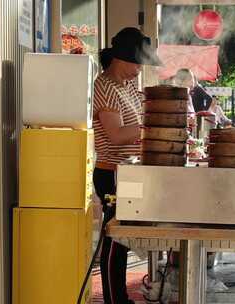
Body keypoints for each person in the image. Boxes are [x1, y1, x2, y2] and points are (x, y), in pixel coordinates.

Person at [92, 27, 161, 304]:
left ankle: (119, 297)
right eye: (138, 63)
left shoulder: (129, 85)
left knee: (123, 240)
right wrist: (150, 127)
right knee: (114, 240)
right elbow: (116, 135)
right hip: (111, 174)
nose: (140, 70)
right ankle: (113, 299)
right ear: (121, 58)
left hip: (129, 172)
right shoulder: (103, 86)